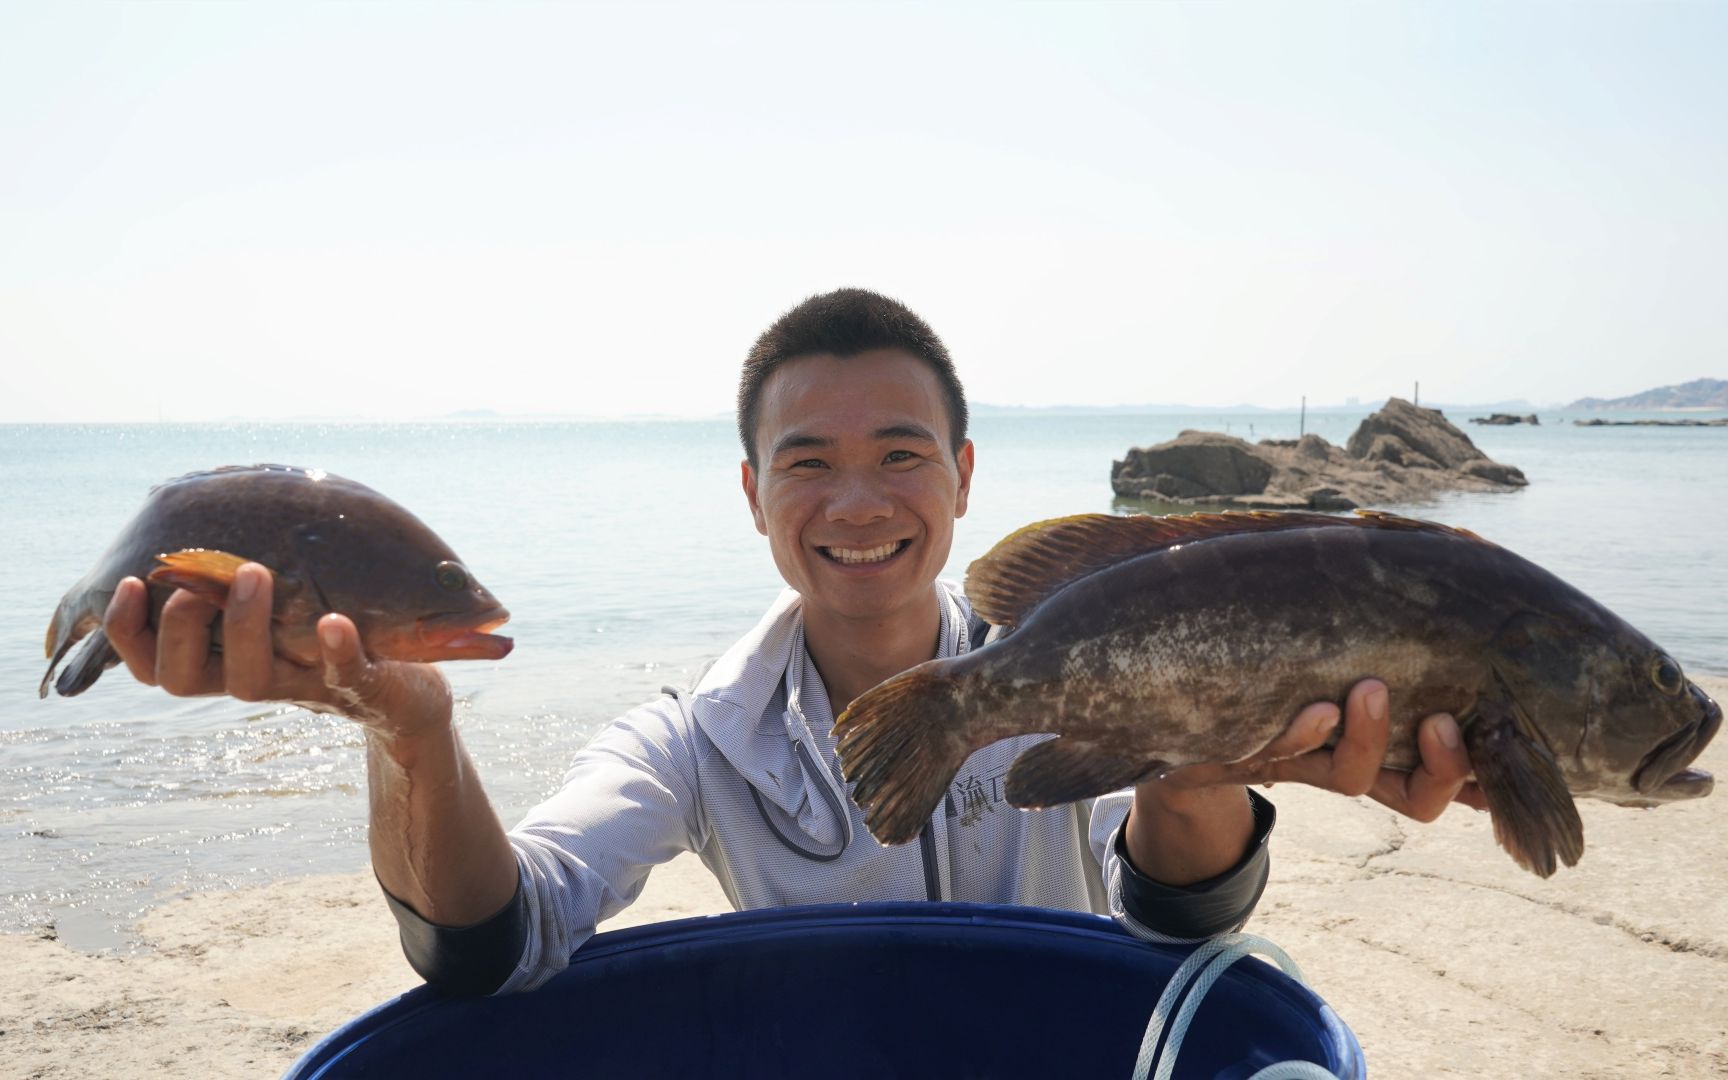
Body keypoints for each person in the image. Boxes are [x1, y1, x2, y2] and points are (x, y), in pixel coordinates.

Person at [102, 288, 1479, 997]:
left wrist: (1199, 770)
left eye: (902, 455)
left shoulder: (1090, 645)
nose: (861, 502)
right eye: (808, 462)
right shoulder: (698, 734)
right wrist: (413, 729)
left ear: (964, 475)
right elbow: (495, 939)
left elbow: (1178, 916)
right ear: (754, 493)